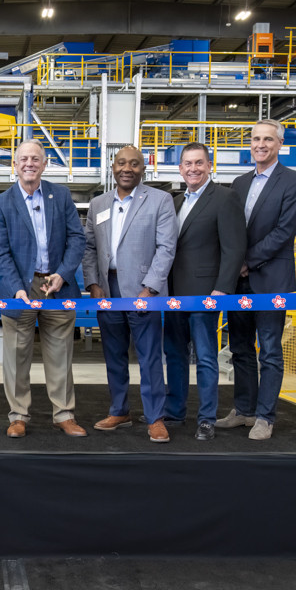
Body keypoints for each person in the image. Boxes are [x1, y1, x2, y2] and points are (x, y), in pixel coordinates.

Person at [0, 139, 87, 438]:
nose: (29, 163)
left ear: (44, 164)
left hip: (57, 283)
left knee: (60, 353)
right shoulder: (1, 203)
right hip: (19, 285)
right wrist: (17, 288)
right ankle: (18, 415)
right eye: (23, 159)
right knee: (17, 355)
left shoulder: (62, 195)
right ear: (14, 165)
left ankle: (64, 414)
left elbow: (77, 239)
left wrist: (62, 274)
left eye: (35, 159)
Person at [218, 119, 296, 440]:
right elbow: (231, 230)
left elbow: (285, 232)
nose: (260, 145)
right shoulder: (239, 183)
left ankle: (265, 417)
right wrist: (233, 266)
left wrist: (247, 262)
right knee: (240, 349)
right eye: (256, 139)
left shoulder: (295, 182)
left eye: (267, 139)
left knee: (269, 351)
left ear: (279, 144)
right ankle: (244, 410)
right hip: (238, 282)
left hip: (270, 280)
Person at [83, 145, 177, 442]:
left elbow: (166, 247)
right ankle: (119, 410)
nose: (127, 168)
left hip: (142, 291)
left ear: (142, 169)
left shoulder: (160, 201)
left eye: (134, 164)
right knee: (113, 356)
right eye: (121, 163)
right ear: (113, 167)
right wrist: (93, 285)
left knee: (149, 357)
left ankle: (155, 418)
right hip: (107, 291)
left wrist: (151, 288)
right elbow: (89, 248)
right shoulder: (98, 204)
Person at [163, 143, 246, 441]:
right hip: (172, 294)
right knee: (173, 354)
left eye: (199, 163)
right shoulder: (172, 202)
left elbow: (234, 247)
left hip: (205, 293)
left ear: (209, 166)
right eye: (187, 163)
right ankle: (174, 412)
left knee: (206, 358)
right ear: (180, 168)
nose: (193, 168)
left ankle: (207, 419)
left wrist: (223, 288)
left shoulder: (225, 198)